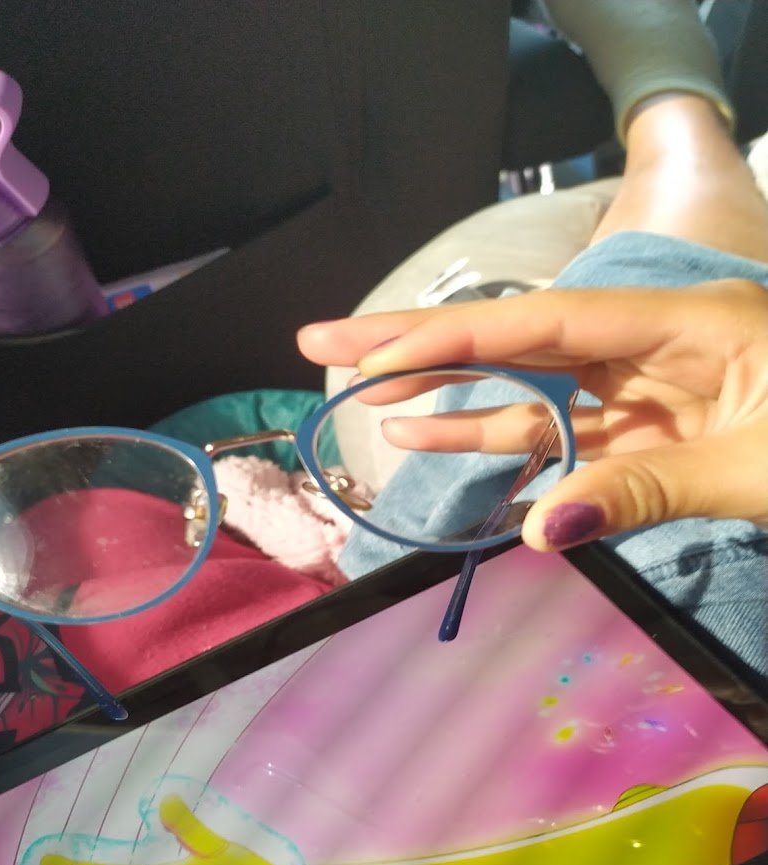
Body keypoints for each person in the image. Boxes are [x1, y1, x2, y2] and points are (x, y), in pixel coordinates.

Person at [296, 0, 768, 681]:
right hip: (665, 627)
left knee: (547, 395)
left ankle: (669, 109)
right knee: (630, 298)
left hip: (362, 642)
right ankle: (672, 111)